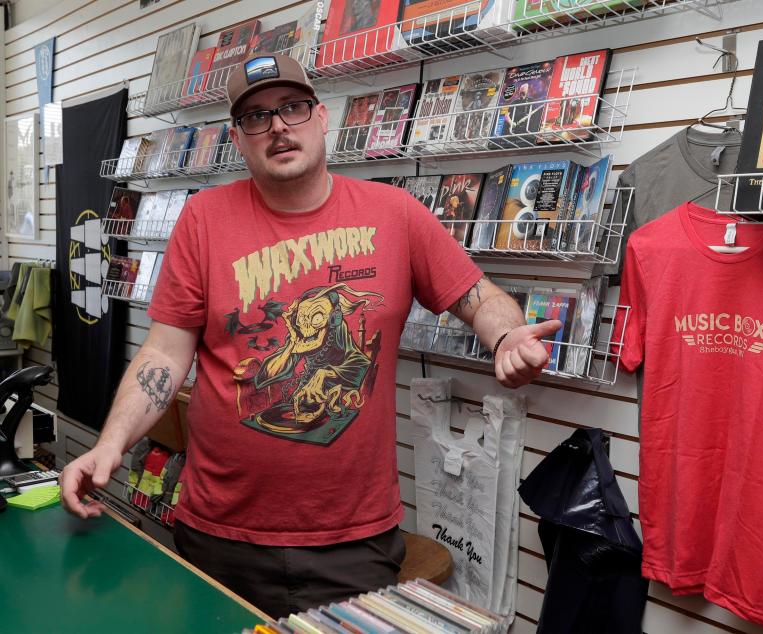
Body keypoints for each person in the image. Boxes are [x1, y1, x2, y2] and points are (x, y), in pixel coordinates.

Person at [60, 53, 561, 618]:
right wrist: (108, 445)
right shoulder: (203, 220)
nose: (277, 126)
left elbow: (478, 297)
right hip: (219, 533)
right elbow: (163, 353)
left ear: (322, 117)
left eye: (292, 108)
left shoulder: (394, 214)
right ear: (238, 138)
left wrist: (507, 337)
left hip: (352, 540)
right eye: (256, 117)